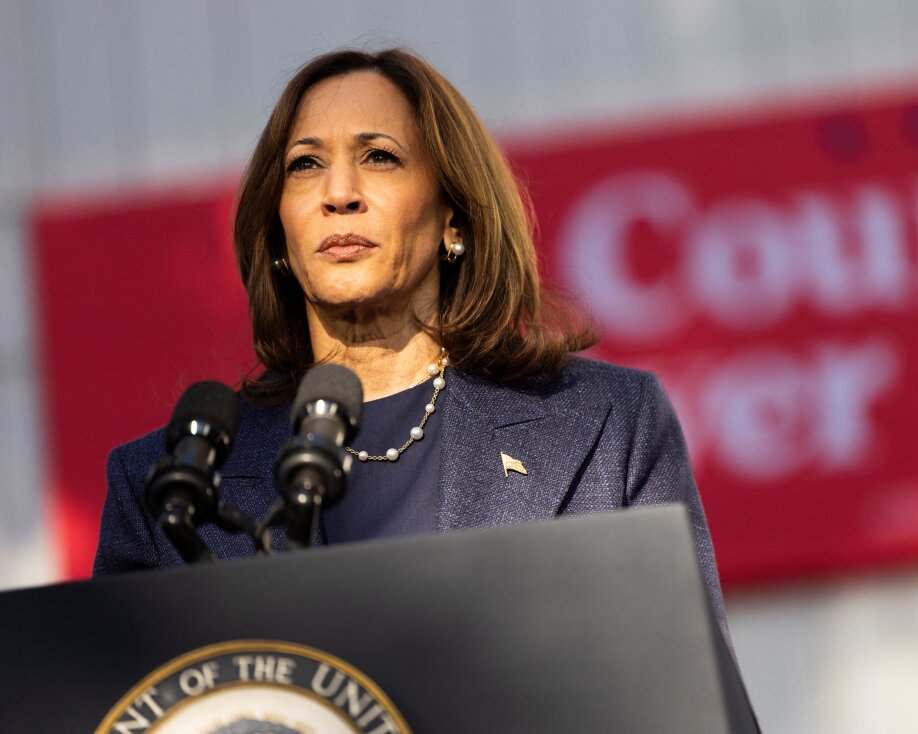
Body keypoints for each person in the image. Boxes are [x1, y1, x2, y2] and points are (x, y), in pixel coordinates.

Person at [92, 48, 728, 635]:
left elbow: (689, 696)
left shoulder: (608, 426)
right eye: (305, 165)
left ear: (453, 215)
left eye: (379, 156)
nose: (338, 195)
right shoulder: (164, 489)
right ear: (278, 230)